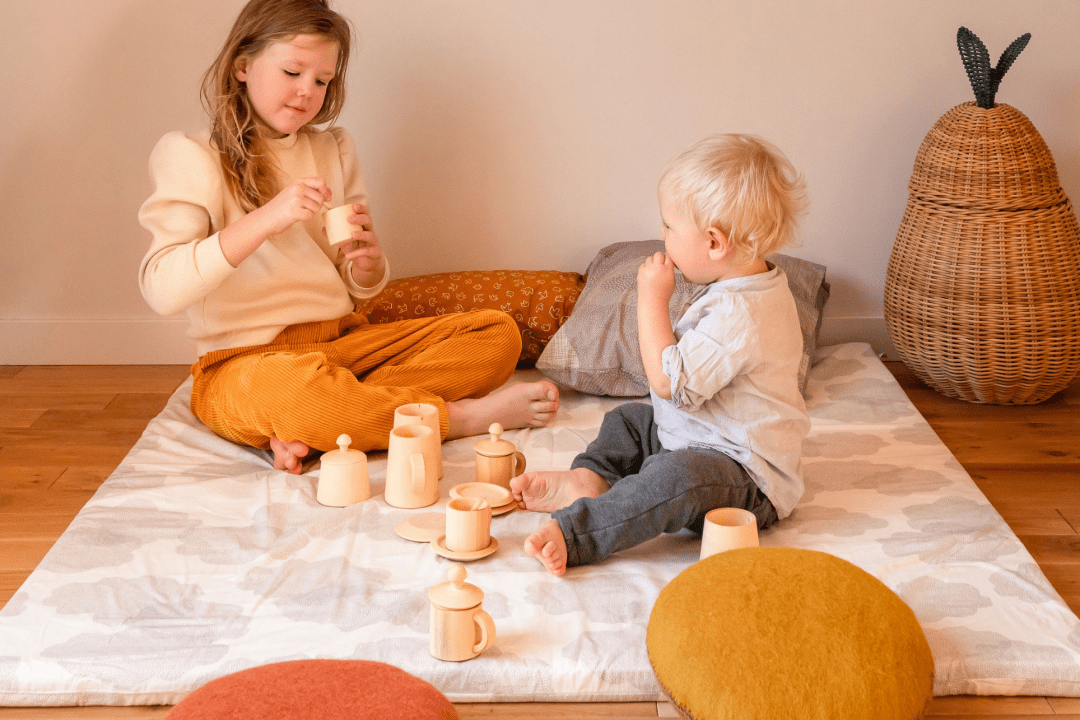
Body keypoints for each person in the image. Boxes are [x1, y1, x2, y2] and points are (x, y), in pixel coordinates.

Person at [138, 0, 558, 473]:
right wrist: (264, 219)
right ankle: (453, 419)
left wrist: (367, 268)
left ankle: (326, 421)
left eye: (321, 80)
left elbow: (355, 284)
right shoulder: (191, 155)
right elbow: (161, 289)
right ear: (242, 64)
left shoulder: (333, 148)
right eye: (293, 71)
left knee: (496, 334)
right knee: (297, 393)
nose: (306, 92)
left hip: (344, 346)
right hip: (243, 363)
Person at [511, 134, 810, 576]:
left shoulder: (741, 314)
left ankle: (580, 533)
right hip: (700, 434)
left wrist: (651, 298)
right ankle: (590, 478)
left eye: (669, 226)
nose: (663, 235)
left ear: (714, 242)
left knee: (675, 481)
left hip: (743, 476)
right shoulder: (750, 286)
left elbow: (668, 383)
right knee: (629, 422)